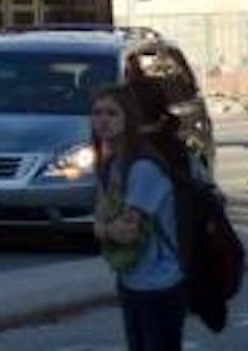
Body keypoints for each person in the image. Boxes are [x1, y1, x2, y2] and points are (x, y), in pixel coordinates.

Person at [92, 84, 187, 351]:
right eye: (97, 112)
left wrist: (101, 228)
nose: (103, 120)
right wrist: (104, 225)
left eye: (112, 113)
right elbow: (103, 216)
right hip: (132, 279)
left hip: (161, 283)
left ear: (128, 118)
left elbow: (127, 231)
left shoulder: (144, 166)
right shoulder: (112, 164)